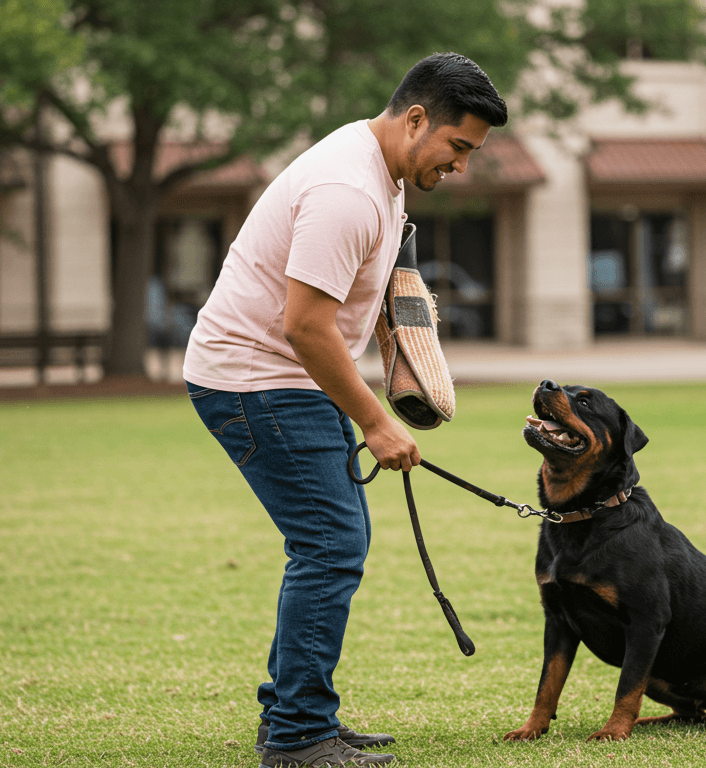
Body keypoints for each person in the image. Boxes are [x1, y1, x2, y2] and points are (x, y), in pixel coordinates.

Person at [182, 53, 507, 768]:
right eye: (458, 147)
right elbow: (304, 326)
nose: (461, 165)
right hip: (256, 377)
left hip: (287, 377)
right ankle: (299, 736)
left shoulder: (381, 177)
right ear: (416, 118)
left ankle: (296, 715)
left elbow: (376, 285)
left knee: (336, 539)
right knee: (330, 543)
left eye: (472, 154)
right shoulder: (348, 190)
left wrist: (404, 349)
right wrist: (375, 421)